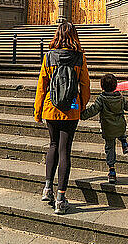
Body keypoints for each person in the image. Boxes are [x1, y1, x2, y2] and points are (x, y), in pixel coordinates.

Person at [34, 21, 90, 214]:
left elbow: (42, 85)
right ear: (74, 36)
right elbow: (85, 86)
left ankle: (47, 188)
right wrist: (81, 106)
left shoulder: (48, 56)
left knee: (53, 145)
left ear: (57, 36)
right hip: (71, 108)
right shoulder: (79, 58)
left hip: (50, 107)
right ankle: (61, 198)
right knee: (65, 150)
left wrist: (38, 110)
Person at [81, 73, 128, 184]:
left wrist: (82, 115)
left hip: (108, 129)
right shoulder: (120, 98)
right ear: (116, 86)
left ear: (102, 87)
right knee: (121, 130)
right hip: (121, 127)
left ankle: (112, 170)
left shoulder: (101, 99)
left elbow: (93, 110)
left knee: (110, 148)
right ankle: (124, 142)